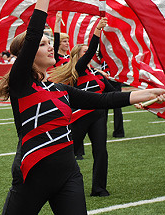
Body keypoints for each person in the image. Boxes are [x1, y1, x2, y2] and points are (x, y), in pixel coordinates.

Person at [0, 0, 165, 214]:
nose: (49, 45)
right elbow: (31, 37)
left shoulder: (61, 90)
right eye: (43, 44)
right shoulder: (22, 85)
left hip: (68, 175)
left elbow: (104, 99)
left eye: (48, 42)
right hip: (32, 174)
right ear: (27, 55)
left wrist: (149, 93)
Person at [49, 16, 116, 197]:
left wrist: (138, 101)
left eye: (89, 52)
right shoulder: (76, 69)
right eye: (85, 52)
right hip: (79, 115)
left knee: (101, 152)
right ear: (78, 56)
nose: (90, 54)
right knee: (68, 152)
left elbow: (113, 95)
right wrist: (97, 30)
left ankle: (99, 188)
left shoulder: (97, 74)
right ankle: (55, 184)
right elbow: (91, 50)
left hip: (99, 115)